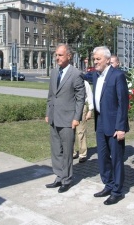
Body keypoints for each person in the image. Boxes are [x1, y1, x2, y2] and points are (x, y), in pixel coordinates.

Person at [45, 43, 85, 193]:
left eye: (60, 55)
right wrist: (48, 113)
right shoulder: (55, 72)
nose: (57, 58)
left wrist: (76, 118)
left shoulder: (76, 74)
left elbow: (80, 98)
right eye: (56, 55)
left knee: (67, 151)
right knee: (56, 150)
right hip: (54, 117)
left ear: (69, 56)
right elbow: (51, 96)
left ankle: (67, 179)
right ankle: (59, 176)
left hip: (68, 120)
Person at [92, 46, 129, 205]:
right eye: (94, 59)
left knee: (116, 159)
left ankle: (117, 191)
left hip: (114, 125)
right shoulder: (95, 75)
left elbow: (123, 103)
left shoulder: (118, 75)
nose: (95, 62)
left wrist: (121, 127)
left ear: (107, 60)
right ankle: (108, 184)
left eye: (98, 59)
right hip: (100, 121)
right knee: (102, 157)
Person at [73, 79, 94, 163]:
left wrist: (90, 110)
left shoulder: (85, 83)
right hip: (70, 108)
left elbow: (89, 96)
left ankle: (82, 154)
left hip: (81, 107)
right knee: (70, 131)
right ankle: (72, 152)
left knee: (81, 131)